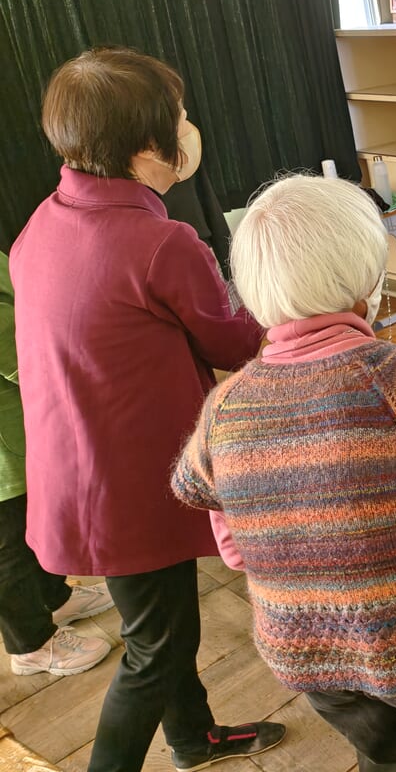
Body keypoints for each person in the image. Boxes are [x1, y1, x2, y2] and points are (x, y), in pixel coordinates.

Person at [170, 174, 396, 772]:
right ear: (367, 280)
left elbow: (236, 554)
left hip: (315, 657)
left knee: (391, 763)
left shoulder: (223, 410)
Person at [9, 47, 284, 772]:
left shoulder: (42, 223)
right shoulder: (162, 243)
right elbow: (236, 342)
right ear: (145, 146)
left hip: (77, 472)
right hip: (129, 486)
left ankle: (193, 739)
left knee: (156, 630)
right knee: (156, 650)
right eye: (179, 118)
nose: (188, 129)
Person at [2, 251, 115, 677]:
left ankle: (54, 596)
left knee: (28, 518)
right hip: (4, 432)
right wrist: (50, 371)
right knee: (8, 542)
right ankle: (30, 644)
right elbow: (9, 341)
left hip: (16, 420)